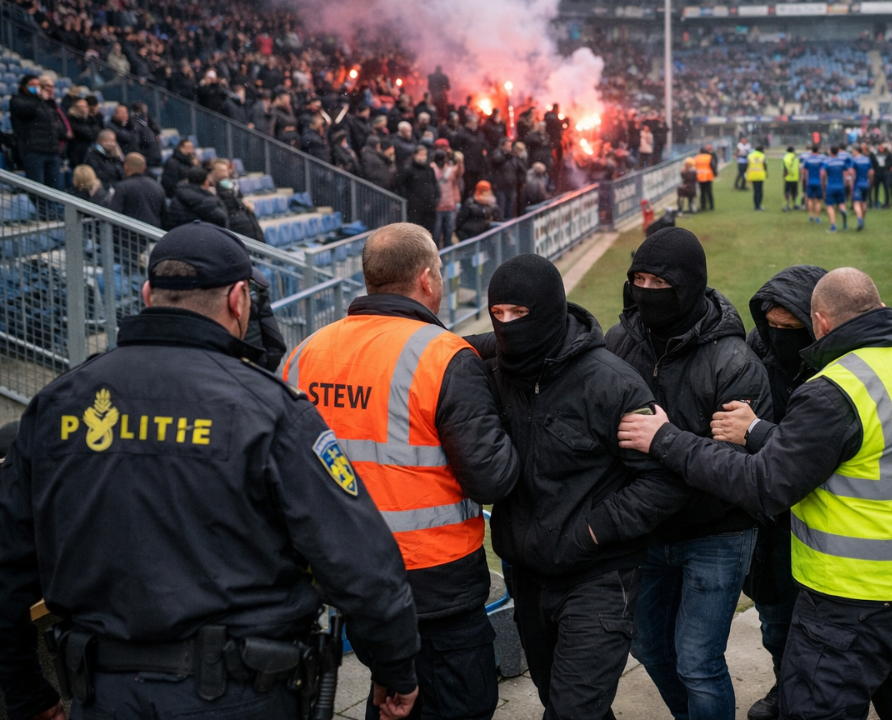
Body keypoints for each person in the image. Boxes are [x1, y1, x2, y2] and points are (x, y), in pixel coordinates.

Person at [0, 223, 421, 720]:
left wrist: (27, 689)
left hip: (103, 696)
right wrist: (395, 671)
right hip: (241, 696)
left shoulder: (57, 405)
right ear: (240, 300)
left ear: (148, 295)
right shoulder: (270, 411)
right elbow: (360, 564)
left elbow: (8, 566)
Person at [617, 267, 892, 720]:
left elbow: (763, 485)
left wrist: (666, 438)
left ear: (819, 323)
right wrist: (762, 431)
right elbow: (862, 452)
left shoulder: (834, 388)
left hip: (855, 598)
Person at [284, 223, 519, 720]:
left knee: (390, 692)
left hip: (338, 570)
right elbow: (492, 478)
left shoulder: (304, 354)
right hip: (434, 581)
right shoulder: (442, 356)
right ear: (427, 280)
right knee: (457, 701)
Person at [479, 253, 688, 720]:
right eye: (498, 315)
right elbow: (448, 351)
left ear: (551, 311)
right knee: (561, 699)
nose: (508, 326)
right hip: (527, 579)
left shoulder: (611, 383)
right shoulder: (495, 371)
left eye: (520, 314)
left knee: (573, 711)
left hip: (598, 580)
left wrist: (592, 531)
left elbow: (663, 483)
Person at [604, 228, 772, 720]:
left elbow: (741, 472)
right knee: (650, 646)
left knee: (698, 661)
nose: (646, 291)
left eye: (660, 281)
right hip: (648, 531)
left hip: (718, 532)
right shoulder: (620, 341)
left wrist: (662, 439)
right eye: (639, 278)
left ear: (691, 284)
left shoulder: (734, 361)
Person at [708, 265, 827, 720]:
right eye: (772, 326)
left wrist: (757, 430)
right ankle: (786, 686)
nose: (780, 336)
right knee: (776, 621)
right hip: (773, 516)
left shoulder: (844, 364)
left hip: (830, 518)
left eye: (790, 328)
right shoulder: (756, 353)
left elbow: (818, 448)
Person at [11, 74, 62, 188]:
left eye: (38, 85)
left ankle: (52, 206)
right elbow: (27, 111)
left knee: (55, 188)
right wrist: (38, 98)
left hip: (51, 152)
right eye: (32, 85)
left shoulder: (44, 103)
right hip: (33, 152)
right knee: (37, 188)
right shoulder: (17, 100)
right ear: (24, 87)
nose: (36, 88)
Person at [109, 152, 165, 228]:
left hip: (128, 236)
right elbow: (165, 216)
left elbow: (115, 214)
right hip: (152, 235)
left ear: (126, 167)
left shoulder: (122, 187)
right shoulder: (157, 187)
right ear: (144, 167)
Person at [397, 145, 441, 234]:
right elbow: (400, 185)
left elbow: (435, 184)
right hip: (415, 208)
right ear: (415, 155)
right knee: (416, 232)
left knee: (430, 230)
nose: (423, 157)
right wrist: (407, 199)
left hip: (429, 206)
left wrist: (437, 197)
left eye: (424, 155)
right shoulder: (408, 169)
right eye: (421, 155)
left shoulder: (429, 169)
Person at [434, 149, 464, 246]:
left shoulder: (450, 170)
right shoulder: (432, 169)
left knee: (449, 232)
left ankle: (447, 255)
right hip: (437, 206)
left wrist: (459, 160)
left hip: (450, 205)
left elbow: (460, 171)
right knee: (436, 233)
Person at [820, 146, 850, 233]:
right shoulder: (842, 162)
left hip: (831, 186)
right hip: (840, 186)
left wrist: (823, 184)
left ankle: (833, 226)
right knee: (841, 204)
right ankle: (844, 222)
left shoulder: (827, 161)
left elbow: (822, 174)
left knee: (829, 206)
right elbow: (846, 174)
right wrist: (845, 184)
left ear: (830, 152)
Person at [849, 145, 873, 231]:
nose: (852, 153)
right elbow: (871, 172)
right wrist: (869, 182)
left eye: (853, 151)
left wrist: (850, 183)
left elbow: (851, 173)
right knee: (864, 202)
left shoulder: (854, 160)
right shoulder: (867, 159)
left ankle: (859, 220)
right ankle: (863, 220)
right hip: (866, 184)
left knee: (856, 203)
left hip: (858, 184)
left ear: (856, 151)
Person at [801, 145, 826, 225]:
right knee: (818, 201)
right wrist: (823, 181)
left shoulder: (808, 160)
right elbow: (823, 172)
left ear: (811, 151)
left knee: (810, 199)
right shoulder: (821, 160)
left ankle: (811, 215)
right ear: (818, 151)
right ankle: (818, 217)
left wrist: (804, 179)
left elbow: (804, 171)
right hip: (818, 182)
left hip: (810, 182)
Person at [695, 145, 717, 212]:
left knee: (702, 192)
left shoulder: (696, 158)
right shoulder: (709, 157)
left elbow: (694, 167)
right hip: (708, 176)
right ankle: (711, 206)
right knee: (709, 192)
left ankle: (703, 206)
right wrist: (715, 174)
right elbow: (713, 166)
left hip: (700, 177)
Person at [746, 144, 767, 211]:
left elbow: (747, 165)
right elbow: (764, 165)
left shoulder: (750, 155)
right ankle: (759, 205)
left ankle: (756, 205)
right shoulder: (762, 156)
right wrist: (766, 173)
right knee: (759, 191)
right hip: (760, 175)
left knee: (755, 191)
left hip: (752, 175)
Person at [781, 146, 800, 212]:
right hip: (795, 177)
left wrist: (784, 175)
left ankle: (786, 205)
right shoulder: (796, 157)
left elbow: (785, 168)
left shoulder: (785, 157)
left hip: (788, 177)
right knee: (795, 192)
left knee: (787, 192)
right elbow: (798, 167)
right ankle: (795, 205)